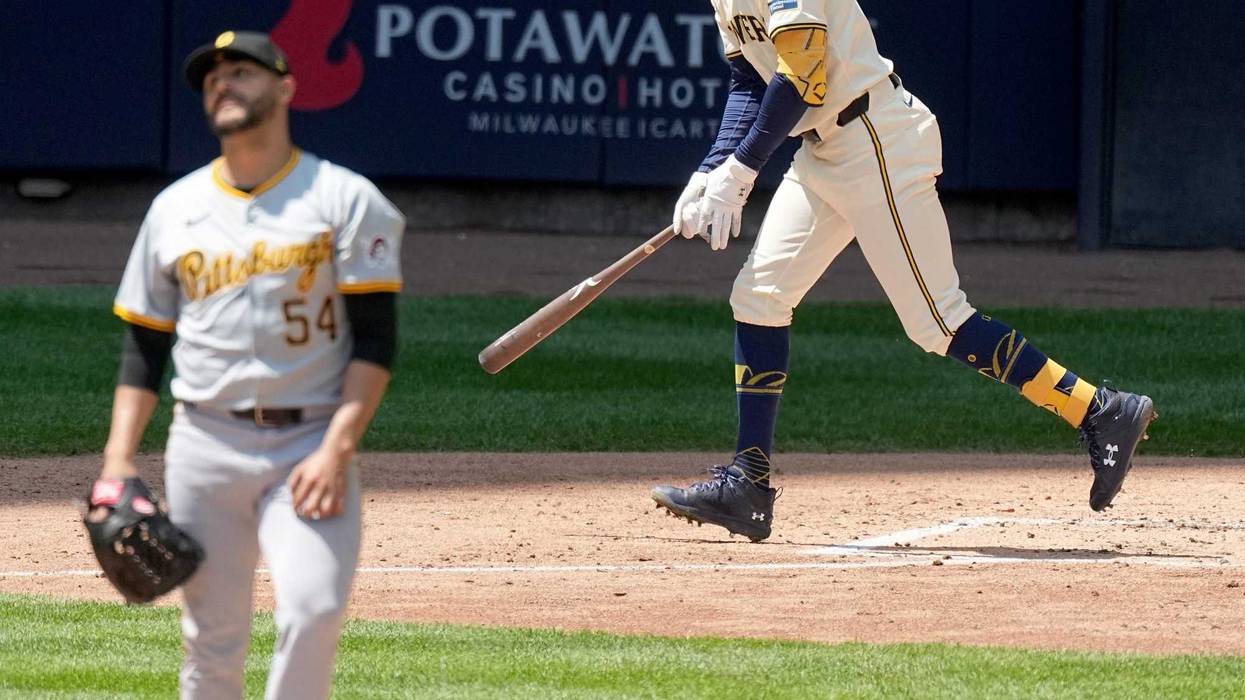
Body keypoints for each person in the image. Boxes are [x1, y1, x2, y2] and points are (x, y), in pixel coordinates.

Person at [651, 1, 1156, 542]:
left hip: (875, 139)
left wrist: (743, 166)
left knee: (937, 322)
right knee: (758, 296)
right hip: (822, 151)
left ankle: (1100, 410)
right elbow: (750, 77)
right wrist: (712, 167)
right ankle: (747, 484)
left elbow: (803, 72)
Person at [90, 30, 405, 698]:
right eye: (212, 79)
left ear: (286, 85)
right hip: (204, 443)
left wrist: (336, 448)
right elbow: (145, 347)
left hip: (309, 441)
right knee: (212, 641)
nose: (223, 84)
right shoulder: (174, 209)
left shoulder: (345, 199)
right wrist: (118, 461)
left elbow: (374, 341)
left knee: (313, 609)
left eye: (241, 71)